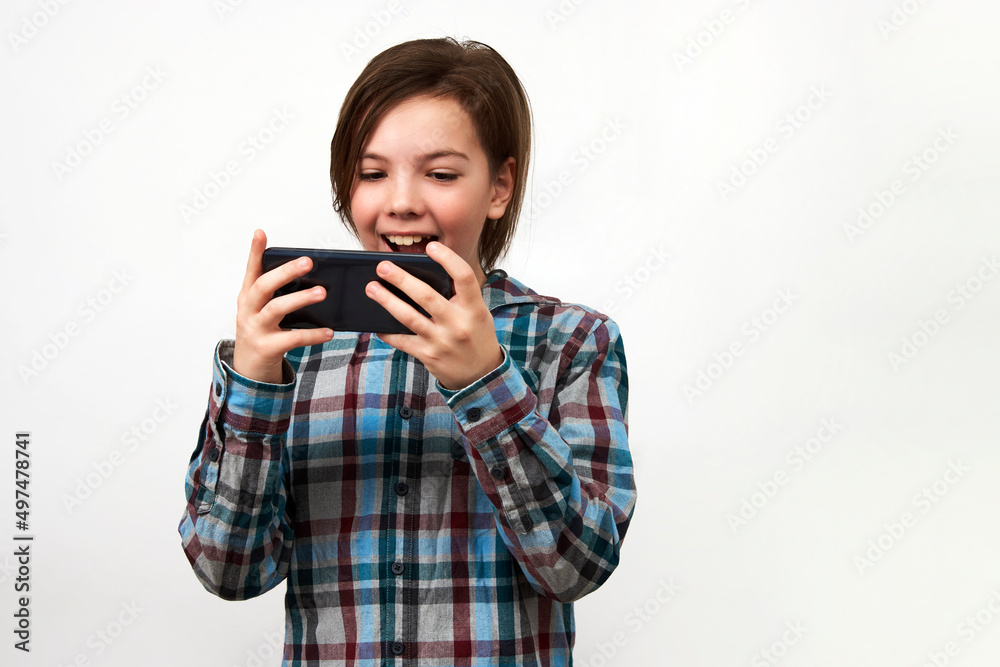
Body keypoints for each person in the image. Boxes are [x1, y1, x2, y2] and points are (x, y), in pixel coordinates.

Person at [179, 37, 636, 666]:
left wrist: (485, 381)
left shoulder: (572, 342)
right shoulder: (296, 354)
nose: (399, 201)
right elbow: (227, 571)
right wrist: (255, 386)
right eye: (372, 173)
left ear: (499, 187)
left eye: (441, 174)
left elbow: (575, 567)